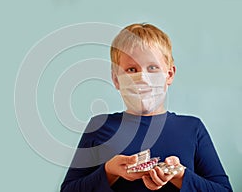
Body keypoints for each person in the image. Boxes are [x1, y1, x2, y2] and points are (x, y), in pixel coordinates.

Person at [60, 23, 233, 191]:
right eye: (131, 69)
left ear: (169, 74)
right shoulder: (100, 126)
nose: (143, 77)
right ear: (116, 79)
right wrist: (109, 171)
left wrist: (180, 175)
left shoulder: (192, 129)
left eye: (152, 67)